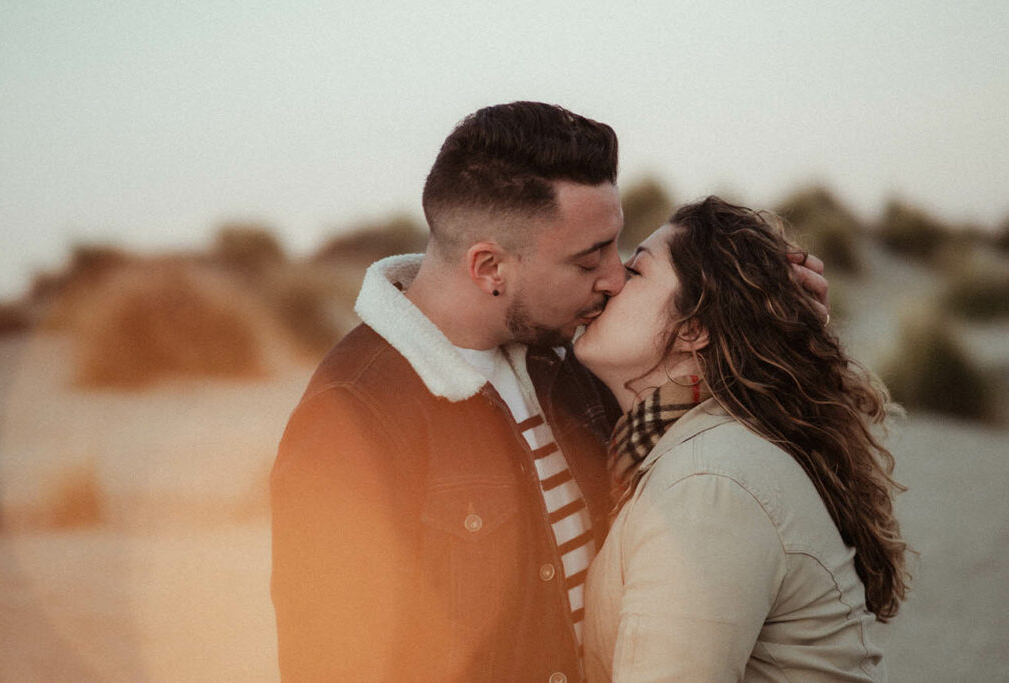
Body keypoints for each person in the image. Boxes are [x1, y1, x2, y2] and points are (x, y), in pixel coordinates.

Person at [270, 102, 829, 681]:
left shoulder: (579, 360)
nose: (614, 277)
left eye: (616, 246)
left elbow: (717, 430)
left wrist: (773, 321)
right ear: (490, 268)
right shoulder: (354, 416)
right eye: (587, 261)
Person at [575, 196, 909, 682]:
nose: (609, 283)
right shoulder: (694, 451)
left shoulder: (709, 486)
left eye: (636, 271)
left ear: (693, 328)